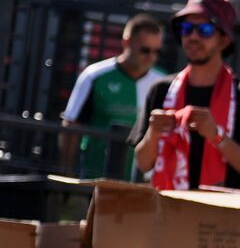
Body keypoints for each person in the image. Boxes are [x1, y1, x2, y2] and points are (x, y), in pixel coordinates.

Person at [131, 0, 240, 190]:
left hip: (218, 215)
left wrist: (216, 135)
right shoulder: (161, 90)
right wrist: (153, 133)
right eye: (187, 29)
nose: (193, 37)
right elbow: (143, 163)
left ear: (224, 40)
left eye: (204, 29)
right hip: (167, 211)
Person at [61, 14, 167, 178]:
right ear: (126, 43)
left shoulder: (163, 82)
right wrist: (65, 176)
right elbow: (71, 128)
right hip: (95, 177)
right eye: (145, 50)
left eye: (156, 51)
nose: (151, 56)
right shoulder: (94, 76)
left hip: (143, 184)